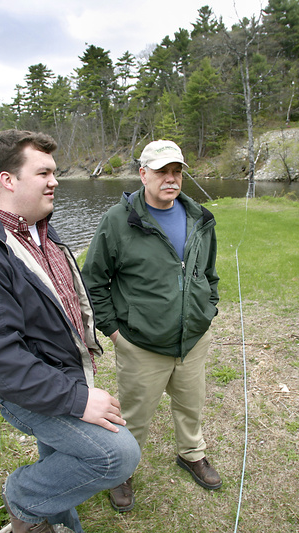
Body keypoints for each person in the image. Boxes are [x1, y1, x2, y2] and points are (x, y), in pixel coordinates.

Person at [0, 130, 140, 533]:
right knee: (116, 455)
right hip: (25, 390)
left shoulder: (39, 228)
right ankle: (23, 497)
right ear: (7, 180)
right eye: (44, 172)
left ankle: (59, 525)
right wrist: (77, 399)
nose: (55, 181)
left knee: (58, 465)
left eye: (55, 172)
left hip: (64, 374)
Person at [81, 139, 222, 513]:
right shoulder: (118, 220)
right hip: (140, 345)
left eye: (176, 171)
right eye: (161, 171)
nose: (170, 179)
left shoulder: (201, 218)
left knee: (191, 405)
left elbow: (208, 273)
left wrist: (209, 309)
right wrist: (114, 331)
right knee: (134, 415)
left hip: (193, 339)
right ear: (143, 174)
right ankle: (122, 471)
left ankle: (192, 454)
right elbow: (94, 281)